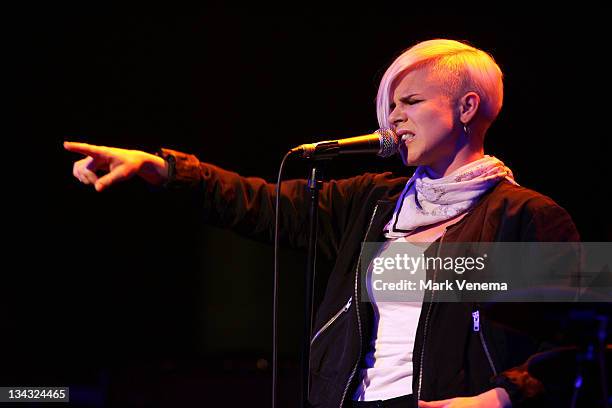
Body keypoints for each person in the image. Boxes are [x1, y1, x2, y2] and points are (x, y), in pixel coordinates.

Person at [65, 39, 580, 407]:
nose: (393, 119)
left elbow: (577, 346)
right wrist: (165, 170)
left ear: (467, 106)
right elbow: (258, 204)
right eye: (389, 107)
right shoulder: (373, 204)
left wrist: (498, 399)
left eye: (411, 102)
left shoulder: (527, 216)